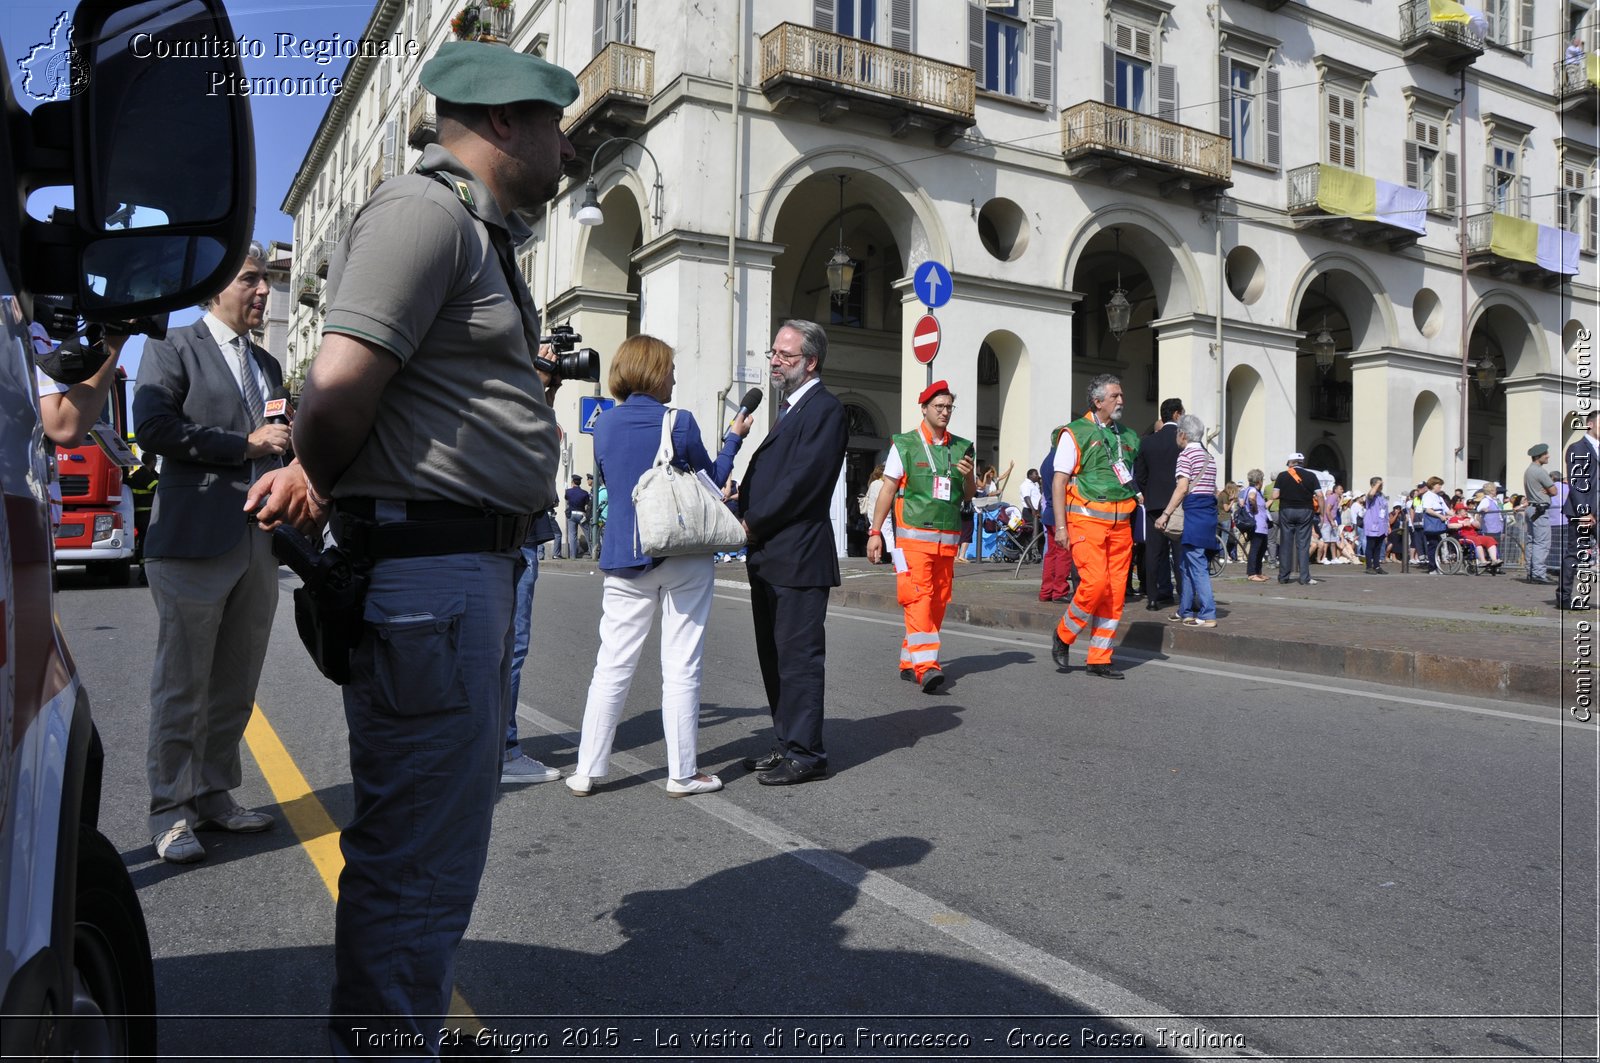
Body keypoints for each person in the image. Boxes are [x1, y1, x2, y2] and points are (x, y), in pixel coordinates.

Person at [290, 42, 577, 1055]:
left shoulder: (475, 228)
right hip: (435, 576)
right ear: (502, 122)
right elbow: (331, 393)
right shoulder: (424, 214)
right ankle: (386, 1038)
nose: (562, 143)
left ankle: (400, 1023)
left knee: (437, 846)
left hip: (462, 574)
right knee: (416, 855)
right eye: (552, 121)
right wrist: (328, 484)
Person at [133, 242, 290, 867]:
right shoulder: (172, 348)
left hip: (258, 541)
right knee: (183, 683)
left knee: (235, 682)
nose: (263, 291)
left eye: (264, 281)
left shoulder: (270, 366)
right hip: (193, 540)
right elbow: (155, 428)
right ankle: (169, 810)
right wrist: (245, 444)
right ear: (214, 287)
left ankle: (214, 793)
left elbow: (276, 446)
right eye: (251, 279)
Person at [566, 335, 750, 797]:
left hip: (625, 559)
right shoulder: (680, 421)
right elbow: (712, 481)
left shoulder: (603, 426)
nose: (674, 376)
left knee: (611, 665)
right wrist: (734, 439)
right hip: (681, 554)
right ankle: (682, 773)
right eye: (669, 369)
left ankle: (587, 770)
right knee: (682, 664)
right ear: (653, 372)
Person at [736, 320, 849, 785]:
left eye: (785, 355)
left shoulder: (826, 410)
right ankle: (785, 743)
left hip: (799, 556)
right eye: (774, 354)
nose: (775, 362)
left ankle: (807, 753)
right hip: (770, 554)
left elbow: (802, 484)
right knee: (775, 656)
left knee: (798, 659)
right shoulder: (790, 410)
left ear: (811, 361)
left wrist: (750, 521)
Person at [866, 380, 976, 693]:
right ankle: (927, 666)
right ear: (924, 408)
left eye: (949, 407)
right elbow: (888, 489)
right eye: (939, 407)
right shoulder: (905, 444)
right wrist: (875, 533)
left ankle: (908, 660)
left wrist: (969, 476)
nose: (945, 412)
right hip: (912, 543)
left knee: (938, 602)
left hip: (947, 543)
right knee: (918, 598)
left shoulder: (962, 447)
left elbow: (969, 494)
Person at [1048, 373, 1141, 679]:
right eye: (1115, 396)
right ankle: (1063, 635)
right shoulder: (1075, 433)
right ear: (1098, 401)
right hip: (1086, 522)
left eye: (1121, 395)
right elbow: (1059, 481)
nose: (1121, 401)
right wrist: (1061, 528)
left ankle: (1099, 658)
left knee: (1115, 593)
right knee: (1095, 584)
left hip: (1121, 525)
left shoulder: (1127, 436)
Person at [1153, 414, 1217, 627]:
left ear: (1182, 434)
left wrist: (1166, 514)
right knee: (1186, 564)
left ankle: (1208, 614)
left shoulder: (1185, 456)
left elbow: (1182, 488)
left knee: (1196, 565)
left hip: (1194, 513)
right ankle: (1185, 610)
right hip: (1208, 514)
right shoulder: (1209, 457)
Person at [1560, 409, 1600, 609]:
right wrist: (1585, 511)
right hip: (1581, 511)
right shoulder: (1578, 448)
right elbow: (1577, 482)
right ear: (1590, 424)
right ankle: (1564, 597)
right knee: (1573, 554)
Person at [1273, 452, 1321, 586]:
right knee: (1303, 545)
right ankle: (1304, 578)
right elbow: (1320, 495)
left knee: (1285, 544)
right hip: (1305, 510)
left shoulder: (1282, 476)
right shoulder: (1311, 476)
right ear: (1302, 463)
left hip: (1287, 510)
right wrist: (1321, 511)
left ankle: (1283, 577)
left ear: (1290, 462)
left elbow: (1275, 495)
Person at [1036, 444, 1072, 602]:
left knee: (1051, 553)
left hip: (1049, 512)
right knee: (1063, 554)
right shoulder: (1060, 460)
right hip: (1060, 513)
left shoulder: (1047, 460)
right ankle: (1059, 590)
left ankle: (1046, 591)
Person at [1524, 443, 1559, 584]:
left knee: (1532, 541)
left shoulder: (1529, 470)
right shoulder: (1539, 471)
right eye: (1546, 454)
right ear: (1539, 456)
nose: (1548, 455)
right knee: (1542, 543)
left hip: (1532, 508)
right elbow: (1554, 491)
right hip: (1540, 509)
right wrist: (1548, 488)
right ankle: (1538, 573)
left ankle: (1531, 571)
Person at [1242, 469, 1270, 581]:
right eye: (1262, 479)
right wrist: (1254, 507)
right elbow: (1251, 498)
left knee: (1261, 549)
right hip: (1257, 525)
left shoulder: (1256, 491)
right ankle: (1252, 573)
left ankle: (1258, 572)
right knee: (1255, 549)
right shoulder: (1252, 490)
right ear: (1259, 481)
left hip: (1262, 525)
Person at [1419, 476, 1450, 574]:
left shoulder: (1439, 497)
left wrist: (1457, 515)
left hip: (1440, 522)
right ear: (1433, 485)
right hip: (1432, 522)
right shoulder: (1427, 495)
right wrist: (1439, 516)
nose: (1440, 487)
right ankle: (1432, 567)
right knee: (1433, 545)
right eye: (1439, 485)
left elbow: (1447, 510)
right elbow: (1428, 509)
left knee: (1438, 545)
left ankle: (1436, 566)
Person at [1362, 477, 1389, 574]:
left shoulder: (1382, 496)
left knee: (1379, 547)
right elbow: (1371, 494)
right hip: (1373, 525)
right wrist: (1377, 484)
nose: (1381, 486)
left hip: (1382, 525)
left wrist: (1388, 525)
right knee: (1370, 546)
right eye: (1379, 484)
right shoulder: (1371, 495)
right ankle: (1369, 566)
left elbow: (1385, 512)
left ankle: (1377, 566)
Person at [563, 474, 590, 558]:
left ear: (572, 482)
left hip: (571, 514)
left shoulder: (568, 491)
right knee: (588, 533)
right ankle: (593, 553)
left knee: (572, 535)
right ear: (580, 483)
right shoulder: (585, 493)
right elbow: (587, 504)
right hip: (581, 514)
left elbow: (567, 500)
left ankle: (573, 556)